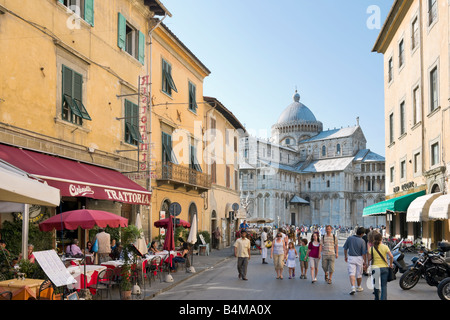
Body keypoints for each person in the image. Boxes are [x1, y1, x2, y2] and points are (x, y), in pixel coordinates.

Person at [369, 232, 394, 300]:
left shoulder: (371, 248)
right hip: (384, 268)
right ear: (381, 239)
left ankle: (377, 298)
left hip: (375, 268)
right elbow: (391, 256)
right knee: (384, 286)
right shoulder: (385, 247)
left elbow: (369, 258)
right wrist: (391, 264)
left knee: (376, 285)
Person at [343, 226, 367, 295]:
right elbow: (364, 253)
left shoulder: (349, 238)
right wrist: (365, 262)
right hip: (359, 258)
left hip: (351, 257)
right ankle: (359, 287)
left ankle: (353, 287)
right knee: (359, 274)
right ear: (362, 233)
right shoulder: (362, 241)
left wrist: (345, 256)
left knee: (351, 273)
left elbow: (345, 248)